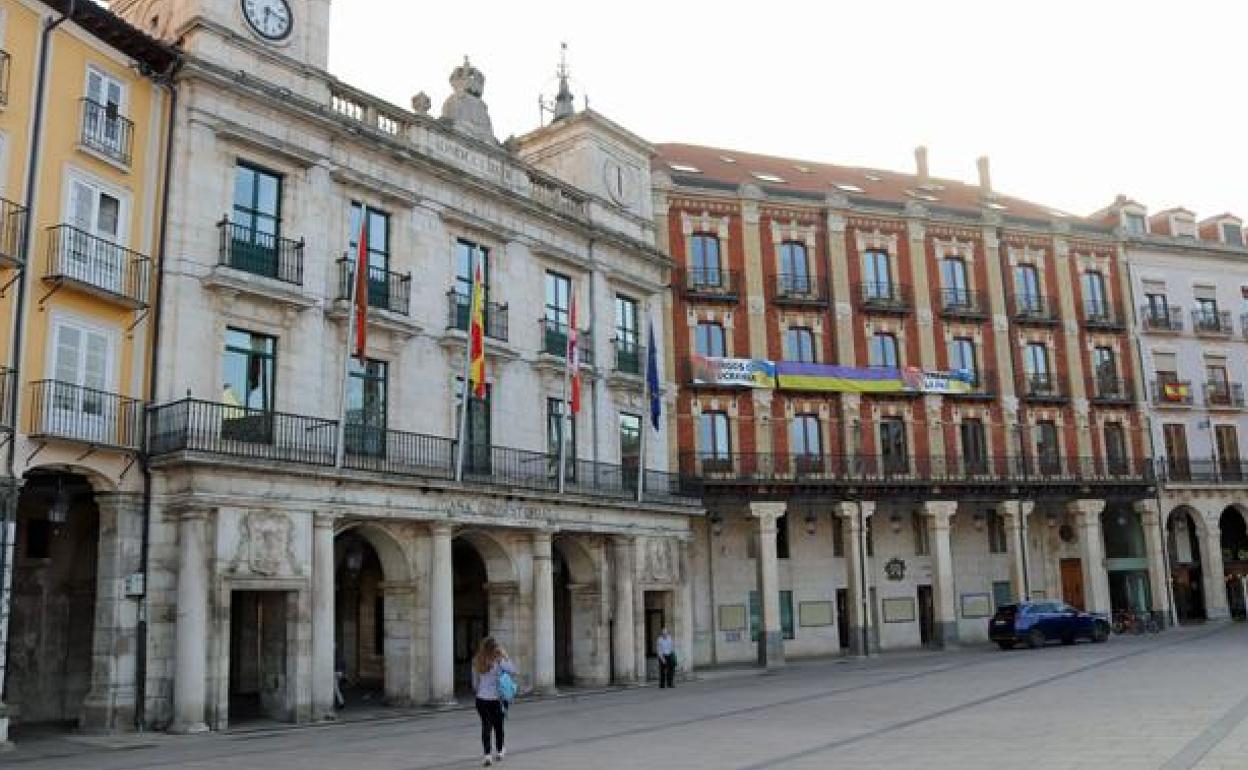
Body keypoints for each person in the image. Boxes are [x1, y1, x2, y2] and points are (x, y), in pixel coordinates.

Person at [472, 636, 516, 766]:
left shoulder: (476, 660)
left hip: (481, 699)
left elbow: (475, 683)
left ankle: (487, 755)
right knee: (498, 726)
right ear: (495, 648)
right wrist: (505, 656)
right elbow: (513, 670)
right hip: (496, 699)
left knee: (486, 726)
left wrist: (480, 691)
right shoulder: (499, 661)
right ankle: (500, 750)